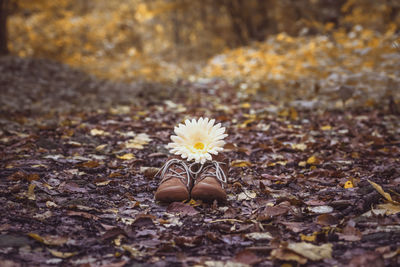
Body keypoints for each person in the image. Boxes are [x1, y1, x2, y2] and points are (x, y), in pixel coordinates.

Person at [154, 118, 229, 203]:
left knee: (213, 155)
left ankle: (207, 171)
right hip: (189, 152)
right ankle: (187, 171)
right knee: (181, 155)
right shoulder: (183, 149)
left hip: (203, 153)